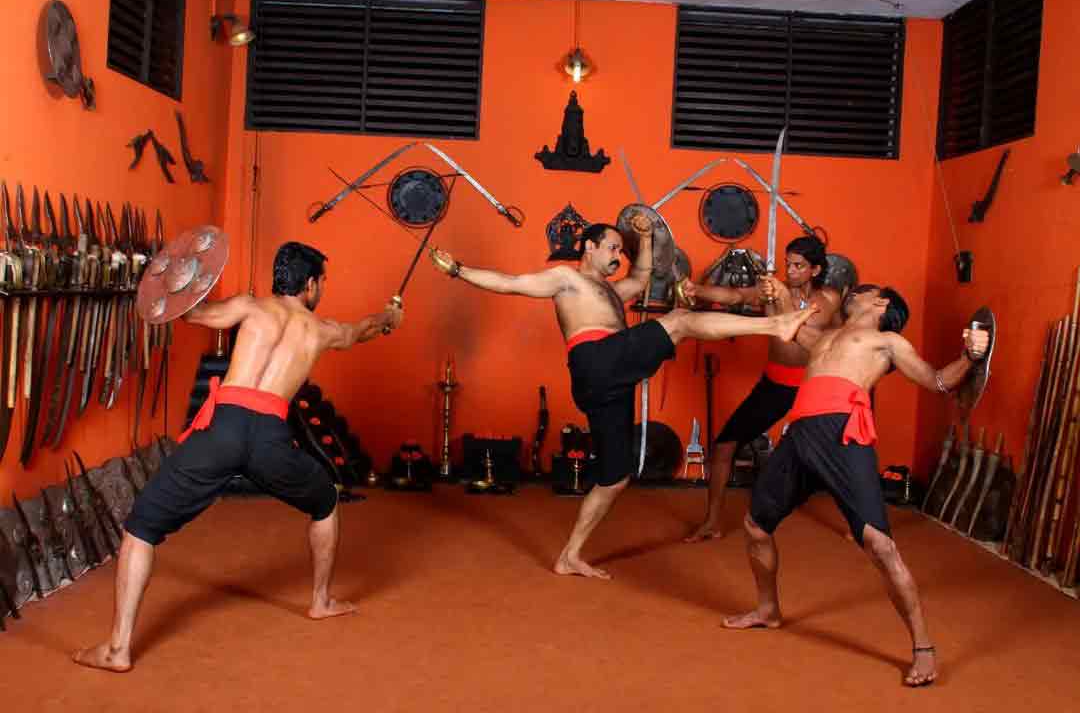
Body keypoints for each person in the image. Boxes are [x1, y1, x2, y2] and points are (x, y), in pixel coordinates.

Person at [74, 242, 403, 672]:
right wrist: (388, 318)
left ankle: (118, 649)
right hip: (271, 439)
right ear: (309, 285)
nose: (321, 288)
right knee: (324, 501)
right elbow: (359, 330)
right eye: (322, 281)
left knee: (140, 528)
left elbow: (188, 311)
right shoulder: (320, 330)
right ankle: (320, 601)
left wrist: (165, 279)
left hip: (221, 432)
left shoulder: (249, 308)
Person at [428, 214, 816, 579]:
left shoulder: (612, 291)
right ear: (589, 248)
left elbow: (643, 274)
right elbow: (511, 282)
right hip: (596, 361)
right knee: (679, 321)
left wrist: (645, 236)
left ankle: (570, 556)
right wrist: (459, 270)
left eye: (619, 250)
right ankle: (775, 324)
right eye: (612, 248)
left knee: (615, 477)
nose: (618, 256)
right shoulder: (567, 279)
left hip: (610, 380)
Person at [722, 280, 989, 687]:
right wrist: (776, 297)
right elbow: (784, 328)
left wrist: (970, 357)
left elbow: (937, 380)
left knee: (880, 545)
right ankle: (768, 610)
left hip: (843, 434)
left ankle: (923, 647)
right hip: (800, 434)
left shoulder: (887, 342)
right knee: (755, 527)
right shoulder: (825, 336)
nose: (853, 293)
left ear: (881, 303)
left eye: (864, 291)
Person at [683, 236, 841, 542]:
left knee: (838, 455)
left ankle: (859, 525)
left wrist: (778, 297)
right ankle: (712, 521)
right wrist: (697, 289)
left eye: (799, 266)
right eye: (788, 264)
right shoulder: (772, 292)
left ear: (815, 269)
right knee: (725, 445)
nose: (791, 271)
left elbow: (817, 333)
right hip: (776, 384)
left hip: (813, 386)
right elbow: (733, 295)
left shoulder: (829, 299)